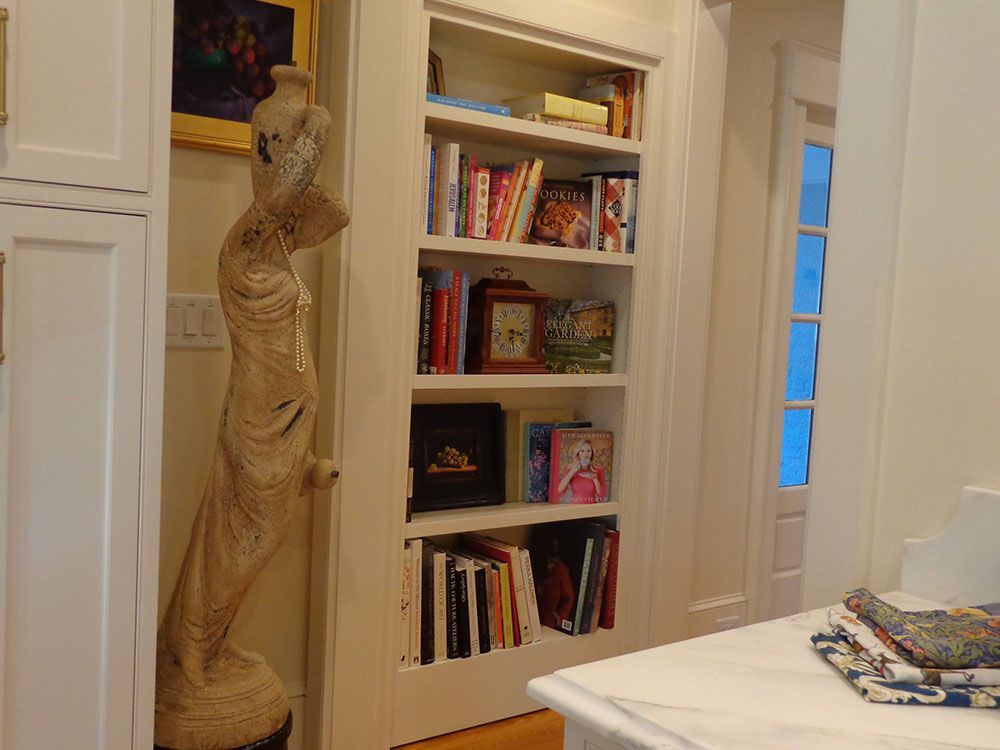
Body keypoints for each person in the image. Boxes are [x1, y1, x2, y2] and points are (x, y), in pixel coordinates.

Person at [555, 439, 606, 503]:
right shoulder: (572, 469)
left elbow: (602, 494)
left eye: (588, 451)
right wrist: (572, 471)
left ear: (592, 453)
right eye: (582, 451)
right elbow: (558, 490)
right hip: (574, 507)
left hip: (592, 507)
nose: (585, 454)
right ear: (578, 453)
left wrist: (595, 479)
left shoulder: (598, 470)